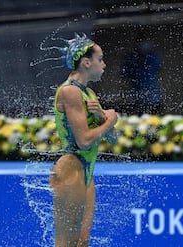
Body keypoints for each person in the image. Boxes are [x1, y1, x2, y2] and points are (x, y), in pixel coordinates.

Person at [49, 33, 118, 247]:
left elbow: (113, 140)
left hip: (86, 171)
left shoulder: (88, 93)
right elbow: (84, 141)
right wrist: (111, 120)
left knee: (82, 243)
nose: (104, 64)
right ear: (86, 62)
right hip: (71, 168)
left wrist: (101, 118)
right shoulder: (70, 92)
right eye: (100, 59)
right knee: (66, 243)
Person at [121, 31, 164, 114]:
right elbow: (124, 77)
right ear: (136, 43)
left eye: (146, 41)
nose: (144, 44)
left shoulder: (154, 56)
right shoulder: (131, 57)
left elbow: (160, 70)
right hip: (137, 98)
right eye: (141, 42)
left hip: (155, 97)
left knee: (155, 121)